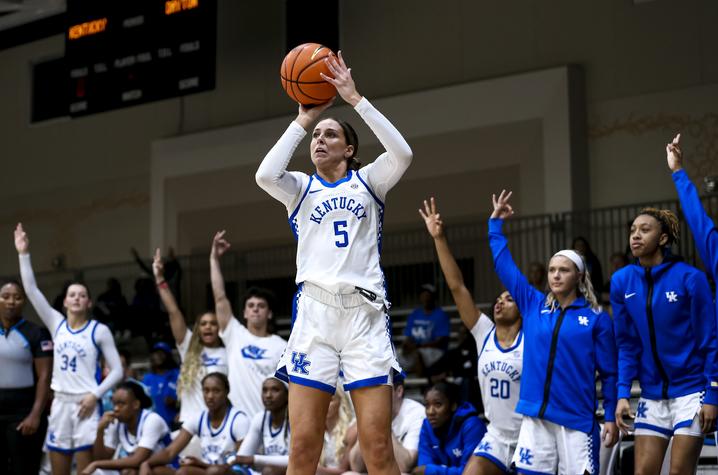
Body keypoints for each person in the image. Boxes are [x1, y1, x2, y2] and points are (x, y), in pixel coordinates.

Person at [255, 51, 412, 475]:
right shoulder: (299, 188)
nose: (319, 141)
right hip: (316, 316)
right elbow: (265, 175)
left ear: (350, 147)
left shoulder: (369, 181)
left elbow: (403, 153)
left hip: (363, 317)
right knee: (303, 448)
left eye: (329, 135)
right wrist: (303, 119)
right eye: (315, 137)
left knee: (377, 448)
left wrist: (355, 99)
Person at [488, 191, 618, 474]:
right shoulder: (533, 304)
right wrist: (495, 226)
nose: (556, 275)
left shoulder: (597, 318)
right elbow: (504, 266)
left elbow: (609, 373)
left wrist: (610, 417)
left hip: (577, 420)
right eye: (551, 270)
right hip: (535, 416)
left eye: (564, 270)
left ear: (580, 276)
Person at [611, 200, 718, 469]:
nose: (635, 235)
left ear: (663, 238)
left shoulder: (690, 278)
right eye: (633, 229)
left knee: (680, 471)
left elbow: (710, 341)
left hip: (692, 392)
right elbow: (626, 345)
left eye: (644, 229)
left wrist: (713, 394)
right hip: (652, 395)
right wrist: (622, 393)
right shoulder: (621, 281)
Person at [419, 197, 522, 474]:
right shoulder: (484, 331)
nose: (500, 302)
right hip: (497, 435)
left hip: (531, 432)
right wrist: (439, 238)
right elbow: (457, 286)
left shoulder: (531, 337)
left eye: (509, 298)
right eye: (498, 299)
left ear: (523, 309)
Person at [14, 223, 123, 475]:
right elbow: (30, 290)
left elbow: (117, 371)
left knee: (86, 471)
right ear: (64, 302)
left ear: (89, 302)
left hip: (86, 404)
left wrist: (95, 395)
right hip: (61, 404)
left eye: (82, 295)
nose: (76, 298)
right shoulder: (56, 324)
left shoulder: (99, 330)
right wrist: (23, 254)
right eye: (72, 294)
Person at [210, 231, 287, 416]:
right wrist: (214, 259)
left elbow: (287, 390)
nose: (255, 309)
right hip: (237, 422)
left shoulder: (282, 346)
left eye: (261, 306)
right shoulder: (234, 333)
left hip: (269, 424)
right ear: (244, 312)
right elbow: (220, 298)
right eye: (251, 306)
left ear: (269, 314)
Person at [153, 248, 228, 425]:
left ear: (220, 328)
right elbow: (173, 312)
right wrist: (160, 279)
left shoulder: (229, 353)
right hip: (189, 425)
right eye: (203, 324)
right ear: (197, 330)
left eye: (213, 323)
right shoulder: (187, 346)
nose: (208, 327)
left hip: (219, 425)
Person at [139, 372, 250, 474]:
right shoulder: (199, 417)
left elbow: (240, 463)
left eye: (216, 391)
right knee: (161, 471)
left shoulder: (239, 420)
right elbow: (170, 452)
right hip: (208, 470)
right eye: (206, 391)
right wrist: (146, 463)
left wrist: (200, 464)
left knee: (213, 471)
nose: (210, 396)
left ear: (226, 392)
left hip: (233, 472)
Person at [0, 280, 53, 474]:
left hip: (23, 414)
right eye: (5, 296)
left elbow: (45, 377)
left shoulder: (36, 333)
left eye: (17, 297)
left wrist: (35, 415)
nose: (11, 302)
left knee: (23, 469)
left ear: (24, 302)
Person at [82, 380, 173, 474]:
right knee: (103, 472)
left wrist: (95, 464)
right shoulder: (117, 422)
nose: (115, 408)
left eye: (121, 404)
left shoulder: (152, 420)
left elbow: (138, 460)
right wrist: (100, 430)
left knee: (132, 471)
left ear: (136, 404)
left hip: (167, 468)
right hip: (142, 467)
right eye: (114, 404)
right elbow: (102, 458)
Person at [347, 377, 426, 474]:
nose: (376, 396)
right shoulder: (369, 411)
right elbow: (356, 466)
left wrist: (383, 422)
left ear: (399, 391)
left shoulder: (417, 413)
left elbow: (404, 466)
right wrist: (367, 422)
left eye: (381, 390)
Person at [415, 382, 486, 475]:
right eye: (427, 405)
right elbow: (424, 466)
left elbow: (471, 472)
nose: (430, 412)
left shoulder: (472, 426)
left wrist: (432, 470)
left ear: (453, 405)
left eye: (438, 404)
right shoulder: (427, 425)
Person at [234, 377, 291, 474]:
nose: (268, 395)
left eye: (275, 390)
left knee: (269, 472)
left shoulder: (295, 420)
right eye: (265, 390)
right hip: (266, 472)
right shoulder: (260, 418)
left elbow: (296, 459)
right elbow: (242, 456)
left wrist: (255, 459)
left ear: (287, 395)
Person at [400, 283, 450, 375]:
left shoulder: (440, 315)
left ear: (433, 297)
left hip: (435, 351)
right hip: (415, 349)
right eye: (423, 294)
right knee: (394, 355)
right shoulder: (415, 313)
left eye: (428, 295)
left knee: (418, 355)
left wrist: (417, 347)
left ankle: (421, 382)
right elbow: (408, 337)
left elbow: (440, 341)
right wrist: (405, 346)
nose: (425, 297)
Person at [317, 386, 355, 474]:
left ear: (341, 402)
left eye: (330, 400)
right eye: (321, 400)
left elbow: (345, 470)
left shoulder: (350, 429)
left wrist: (317, 470)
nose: (324, 404)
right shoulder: (317, 430)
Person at [143, 342, 180, 427]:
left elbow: (188, 399)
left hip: (174, 425)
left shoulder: (177, 375)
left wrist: (176, 402)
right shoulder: (147, 379)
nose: (158, 356)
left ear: (168, 356)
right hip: (153, 426)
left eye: (162, 353)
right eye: (155, 353)